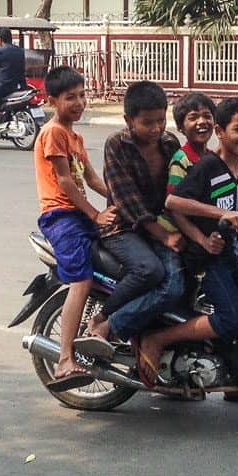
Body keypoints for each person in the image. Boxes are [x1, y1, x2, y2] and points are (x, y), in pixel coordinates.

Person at [137, 97, 238, 398]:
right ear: (221, 131)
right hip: (205, 260)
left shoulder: (230, 167)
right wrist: (206, 231)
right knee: (231, 318)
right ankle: (157, 339)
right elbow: (174, 203)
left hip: (226, 253)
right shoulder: (209, 165)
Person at [80, 82, 185, 351]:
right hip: (123, 228)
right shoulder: (117, 145)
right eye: (147, 122)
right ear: (129, 120)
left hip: (160, 224)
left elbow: (182, 183)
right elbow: (128, 201)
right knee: (150, 270)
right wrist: (165, 236)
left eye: (161, 120)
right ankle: (104, 318)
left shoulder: (170, 142)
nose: (156, 129)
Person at [34, 66, 114, 389]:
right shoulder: (53, 133)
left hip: (77, 216)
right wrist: (96, 215)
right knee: (81, 281)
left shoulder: (75, 137)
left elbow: (92, 179)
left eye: (82, 95)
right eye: (71, 98)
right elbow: (66, 182)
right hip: (61, 217)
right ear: (52, 100)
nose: (79, 103)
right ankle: (65, 358)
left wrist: (126, 199)